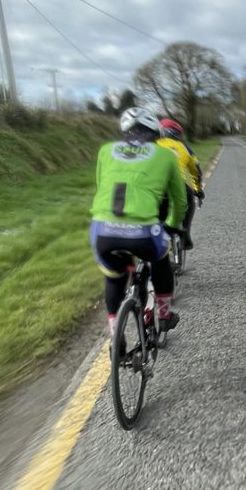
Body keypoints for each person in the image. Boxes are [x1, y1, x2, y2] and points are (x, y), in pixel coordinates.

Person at [90, 108, 186, 338]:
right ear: (156, 134)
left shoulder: (105, 151)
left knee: (114, 276)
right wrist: (172, 224)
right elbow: (180, 200)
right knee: (161, 261)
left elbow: (101, 185)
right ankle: (164, 316)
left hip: (103, 230)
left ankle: (116, 336)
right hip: (143, 233)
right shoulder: (165, 156)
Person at [158, 118, 203, 250]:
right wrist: (198, 190)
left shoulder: (153, 145)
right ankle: (185, 234)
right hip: (178, 186)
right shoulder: (185, 148)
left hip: (156, 186)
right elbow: (197, 172)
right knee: (189, 202)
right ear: (177, 134)